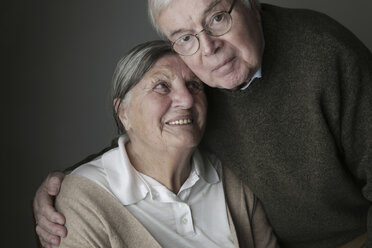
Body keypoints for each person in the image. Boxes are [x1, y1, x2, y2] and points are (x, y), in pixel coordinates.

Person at [34, 0, 372, 247]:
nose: (208, 48)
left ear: (252, 6)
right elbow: (151, 130)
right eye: (184, 37)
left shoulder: (326, 53)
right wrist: (64, 186)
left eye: (218, 17)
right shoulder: (198, 77)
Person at [47, 40, 278, 248]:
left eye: (194, 86)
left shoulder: (233, 180)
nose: (187, 100)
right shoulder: (84, 198)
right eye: (162, 86)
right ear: (123, 113)